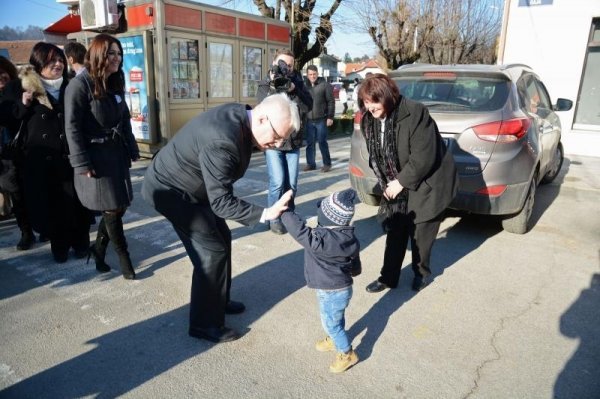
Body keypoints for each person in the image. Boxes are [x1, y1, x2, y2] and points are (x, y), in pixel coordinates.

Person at [141, 93, 300, 343]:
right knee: (211, 251)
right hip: (170, 190)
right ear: (260, 118)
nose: (279, 144)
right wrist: (266, 213)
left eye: (283, 138)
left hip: (195, 185)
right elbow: (221, 203)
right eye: (277, 136)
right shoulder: (223, 140)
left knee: (222, 236)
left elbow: (220, 189)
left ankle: (218, 300)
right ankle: (204, 325)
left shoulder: (243, 118)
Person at [357, 74, 458, 293]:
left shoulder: (415, 113)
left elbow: (424, 156)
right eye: (366, 102)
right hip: (396, 181)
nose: (370, 107)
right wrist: (388, 183)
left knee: (421, 234)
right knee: (396, 230)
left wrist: (400, 181)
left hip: (428, 181)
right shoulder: (369, 120)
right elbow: (378, 154)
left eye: (374, 102)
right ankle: (388, 277)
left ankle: (421, 274)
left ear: (388, 97)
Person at [2, 43, 91, 262]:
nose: (58, 64)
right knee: (54, 207)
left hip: (71, 154)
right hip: (41, 160)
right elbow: (4, 117)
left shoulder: (73, 84)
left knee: (78, 204)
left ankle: (81, 244)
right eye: (51, 61)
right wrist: (22, 105)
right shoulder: (20, 87)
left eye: (60, 59)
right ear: (39, 63)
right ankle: (59, 247)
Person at [65, 33, 140, 279]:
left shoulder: (115, 82)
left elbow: (124, 119)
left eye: (119, 54)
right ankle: (124, 257)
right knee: (111, 208)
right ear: (99, 54)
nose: (117, 58)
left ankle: (97, 250)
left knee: (120, 207)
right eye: (111, 53)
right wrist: (81, 162)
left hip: (116, 154)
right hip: (96, 157)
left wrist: (132, 147)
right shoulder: (80, 85)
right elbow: (72, 127)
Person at [280, 188, 361, 373]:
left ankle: (347, 353)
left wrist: (285, 212)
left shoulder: (320, 240)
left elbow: (300, 231)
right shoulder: (349, 236)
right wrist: (356, 270)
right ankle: (334, 339)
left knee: (330, 323)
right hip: (342, 287)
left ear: (328, 218)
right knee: (335, 317)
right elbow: (354, 259)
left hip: (330, 290)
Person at [256, 49, 312, 235]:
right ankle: (273, 216)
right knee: (278, 182)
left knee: (292, 184)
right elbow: (262, 109)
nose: (287, 68)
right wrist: (274, 86)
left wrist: (294, 90)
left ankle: (288, 214)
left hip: (293, 141)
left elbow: (307, 106)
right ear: (275, 63)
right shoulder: (266, 82)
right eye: (283, 64)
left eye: (290, 65)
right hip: (273, 142)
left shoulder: (297, 81)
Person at [0, 55, 36, 250]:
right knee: (16, 195)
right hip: (6, 156)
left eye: (3, 75)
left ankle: (41, 227)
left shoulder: (17, 88)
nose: (1, 80)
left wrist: (23, 105)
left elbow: (22, 115)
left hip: (25, 149)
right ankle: (26, 232)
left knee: (33, 191)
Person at [303, 65, 334, 173]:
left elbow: (331, 102)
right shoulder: (304, 86)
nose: (312, 76)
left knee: (322, 142)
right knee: (310, 143)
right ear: (307, 75)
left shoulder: (324, 85)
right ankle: (311, 164)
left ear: (317, 73)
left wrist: (330, 117)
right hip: (309, 119)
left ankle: (327, 164)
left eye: (314, 74)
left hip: (321, 119)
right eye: (310, 74)